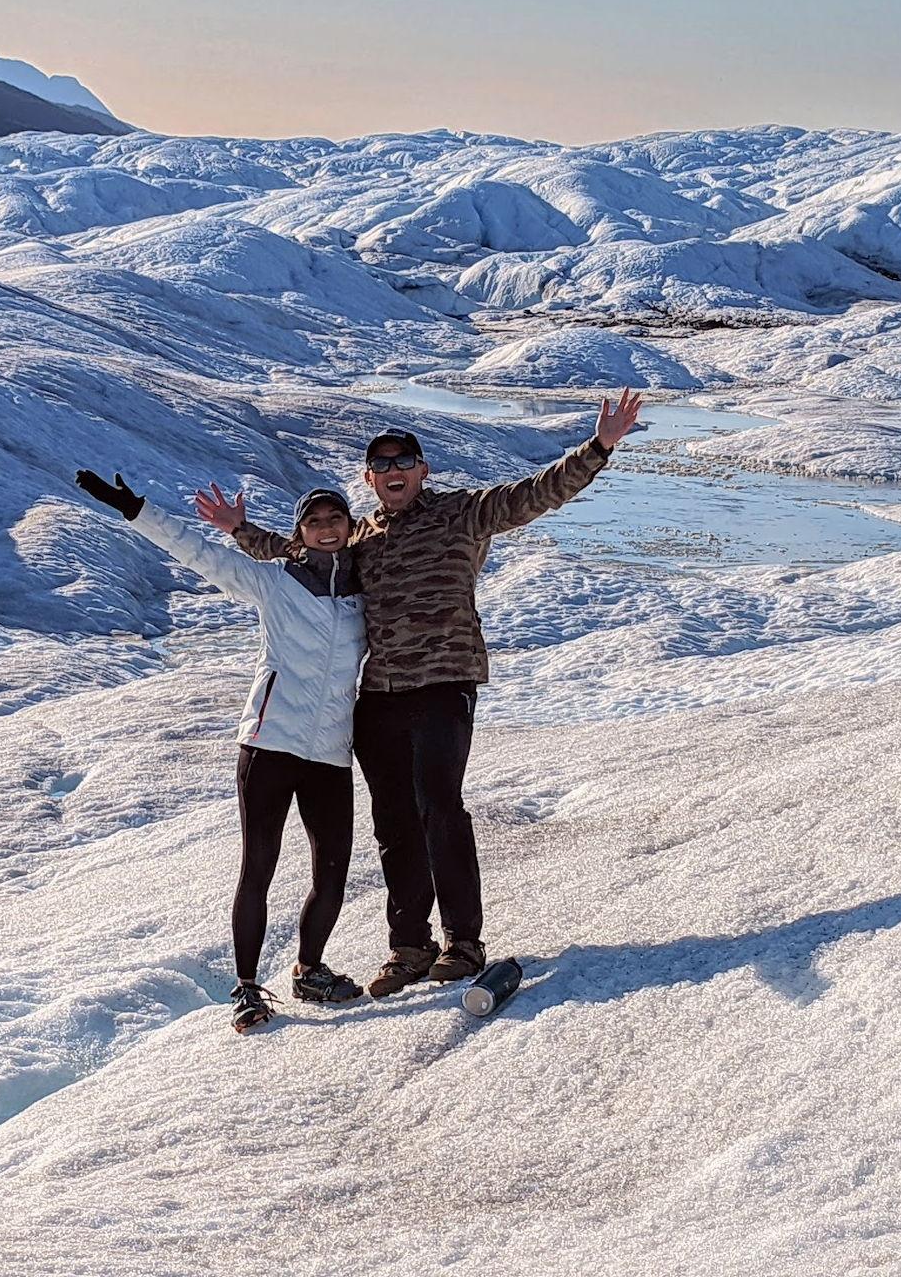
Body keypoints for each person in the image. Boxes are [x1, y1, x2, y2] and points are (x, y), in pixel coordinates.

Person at [197, 387, 644, 996]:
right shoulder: (363, 537)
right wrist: (241, 530)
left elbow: (536, 494)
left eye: (403, 462)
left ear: (422, 470)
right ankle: (410, 946)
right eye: (381, 465)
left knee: (440, 806)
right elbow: (303, 551)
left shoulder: (461, 512)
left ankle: (463, 941)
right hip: (379, 696)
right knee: (394, 822)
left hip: (444, 685)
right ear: (369, 478)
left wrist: (599, 447)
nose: (392, 472)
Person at [75, 468, 368, 1034]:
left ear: (350, 527)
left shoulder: (364, 592)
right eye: (314, 522)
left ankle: (309, 969)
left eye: (335, 520)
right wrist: (137, 510)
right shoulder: (274, 582)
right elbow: (199, 553)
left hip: (331, 749)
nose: (326, 529)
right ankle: (248, 986)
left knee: (332, 870)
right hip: (270, 742)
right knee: (258, 864)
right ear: (300, 533)